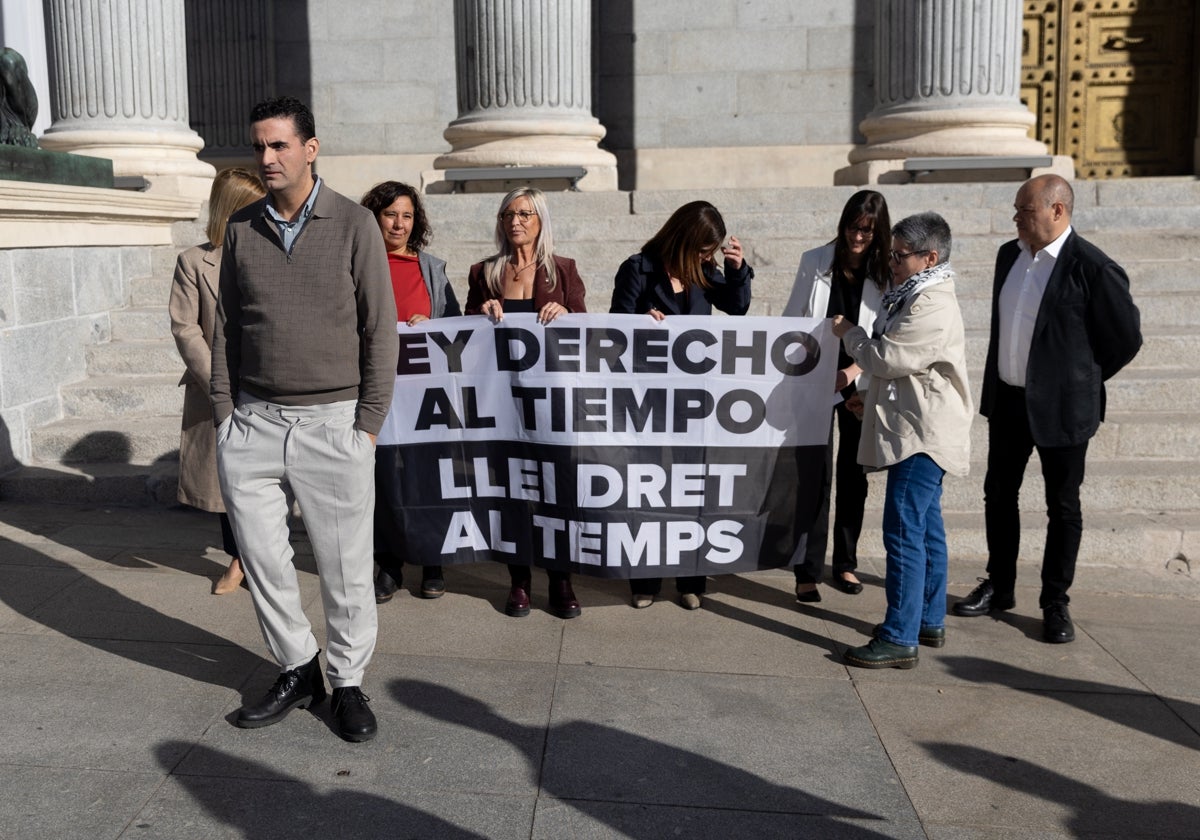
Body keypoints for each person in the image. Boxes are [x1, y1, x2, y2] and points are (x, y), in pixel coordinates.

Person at [211, 96, 398, 741]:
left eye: (279, 146)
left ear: (310, 149)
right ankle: (299, 666)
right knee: (263, 560)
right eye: (259, 147)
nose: (266, 158)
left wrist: (367, 424)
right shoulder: (241, 229)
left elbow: (381, 329)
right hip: (253, 425)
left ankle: (346, 682)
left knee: (345, 567)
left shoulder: (354, 224)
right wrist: (224, 414)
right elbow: (228, 328)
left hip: (332, 423)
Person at [952, 174, 1141, 643]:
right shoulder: (1008, 256)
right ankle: (1001, 584)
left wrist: (1078, 382)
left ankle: (1055, 600)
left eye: (1025, 210)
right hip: (1010, 402)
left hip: (1063, 409)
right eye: (1016, 210)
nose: (1017, 218)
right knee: (999, 494)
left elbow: (1125, 339)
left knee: (1063, 506)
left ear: (1057, 211)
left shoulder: (1093, 267)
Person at [832, 212, 972, 669]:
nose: (891, 262)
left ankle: (898, 636)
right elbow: (909, 368)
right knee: (926, 529)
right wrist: (866, 399)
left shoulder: (931, 303)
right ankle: (925, 621)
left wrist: (848, 332)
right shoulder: (914, 295)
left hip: (922, 435)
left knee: (903, 532)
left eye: (900, 256)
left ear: (930, 258)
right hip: (917, 425)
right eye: (892, 254)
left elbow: (890, 356)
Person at [609, 200, 753, 610]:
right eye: (704, 250)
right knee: (649, 486)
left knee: (692, 486)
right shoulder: (637, 268)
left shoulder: (703, 272)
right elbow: (615, 328)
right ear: (684, 238)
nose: (708, 257)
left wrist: (737, 269)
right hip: (647, 398)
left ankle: (690, 578)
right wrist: (642, 322)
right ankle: (645, 580)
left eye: (712, 252)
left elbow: (737, 305)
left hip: (694, 398)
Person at [464, 187, 587, 620]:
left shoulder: (563, 270)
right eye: (508, 214)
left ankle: (560, 579)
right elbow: (464, 340)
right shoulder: (484, 272)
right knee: (510, 490)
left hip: (549, 402)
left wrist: (567, 316)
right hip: (502, 405)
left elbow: (586, 334)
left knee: (556, 492)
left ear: (540, 221)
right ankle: (519, 581)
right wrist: (481, 313)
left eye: (525, 214)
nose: (515, 221)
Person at [783, 190, 891, 603]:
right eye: (852, 227)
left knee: (853, 474)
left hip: (860, 380)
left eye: (866, 230)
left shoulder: (884, 273)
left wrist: (853, 372)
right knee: (814, 474)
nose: (857, 237)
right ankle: (806, 569)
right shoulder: (815, 261)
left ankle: (845, 562)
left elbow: (885, 335)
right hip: (815, 380)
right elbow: (794, 320)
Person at [360, 181, 461, 605]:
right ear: (374, 217)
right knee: (383, 478)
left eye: (407, 215)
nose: (399, 224)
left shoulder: (432, 269)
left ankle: (433, 562)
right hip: (375, 390)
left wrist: (432, 327)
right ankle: (390, 565)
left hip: (425, 394)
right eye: (390, 215)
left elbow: (456, 327)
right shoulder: (359, 265)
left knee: (427, 477)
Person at [170, 168, 265, 595]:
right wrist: (220, 384)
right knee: (228, 479)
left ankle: (260, 556)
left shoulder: (270, 254)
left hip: (269, 383)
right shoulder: (194, 261)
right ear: (232, 209)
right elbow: (186, 329)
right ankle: (239, 559)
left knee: (268, 477)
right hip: (219, 388)